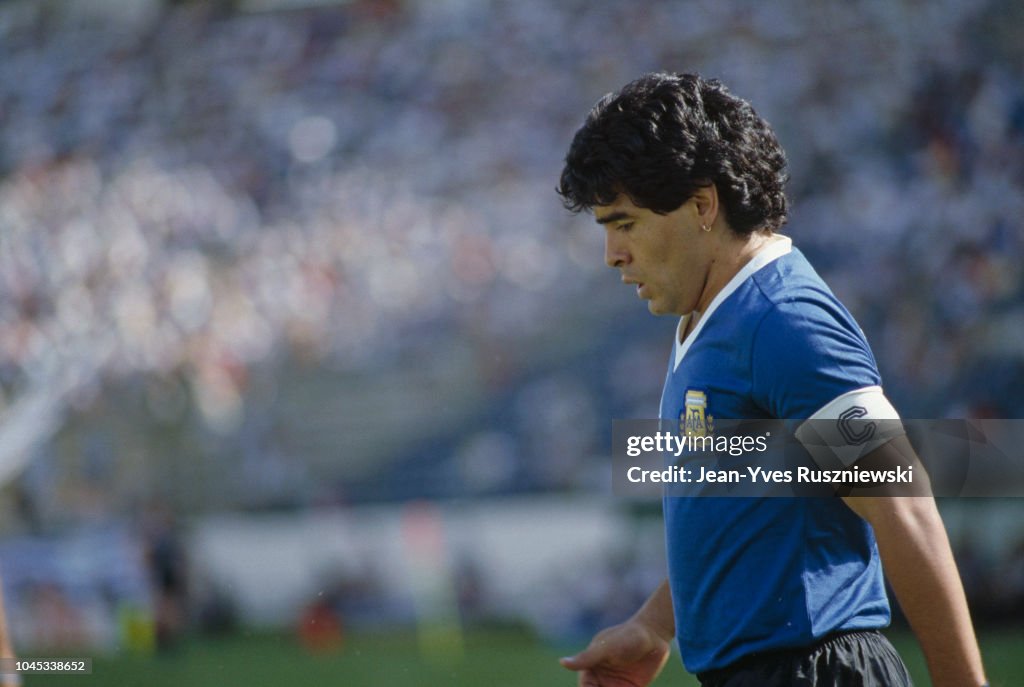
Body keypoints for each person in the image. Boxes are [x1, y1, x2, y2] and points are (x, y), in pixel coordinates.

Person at [556, 72, 987, 687]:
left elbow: (902, 505)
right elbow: (744, 510)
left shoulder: (782, 320)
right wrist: (655, 624)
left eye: (624, 223)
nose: (611, 254)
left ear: (703, 205)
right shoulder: (713, 316)